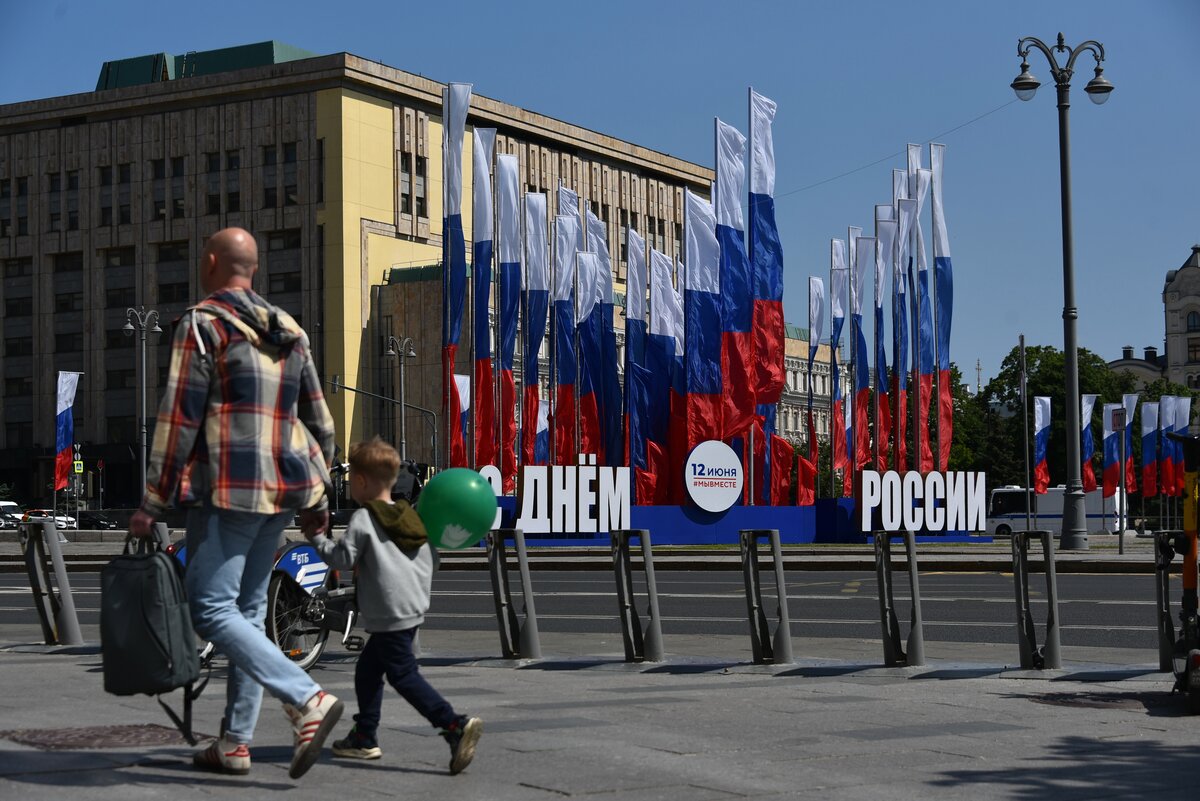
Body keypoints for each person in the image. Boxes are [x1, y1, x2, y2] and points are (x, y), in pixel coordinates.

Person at [129, 227, 342, 779]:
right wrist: (318, 495)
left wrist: (153, 501)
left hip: (227, 487)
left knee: (210, 607)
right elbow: (320, 421)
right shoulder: (290, 330)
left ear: (210, 263)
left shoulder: (203, 325)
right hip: (283, 488)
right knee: (247, 613)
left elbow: (179, 419)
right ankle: (235, 743)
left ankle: (306, 698)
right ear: (254, 269)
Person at [307, 437, 482, 774]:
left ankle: (453, 726)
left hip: (389, 613)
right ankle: (364, 736)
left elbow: (342, 558)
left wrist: (317, 538)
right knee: (369, 670)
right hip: (412, 608)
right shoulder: (411, 516)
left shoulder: (364, 519)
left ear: (360, 482)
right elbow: (433, 558)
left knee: (403, 676)